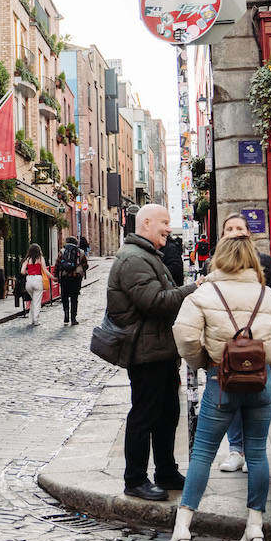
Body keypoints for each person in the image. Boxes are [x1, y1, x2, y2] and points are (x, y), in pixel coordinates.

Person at [166, 235, 271, 541]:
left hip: (222, 382)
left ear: (219, 258)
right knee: (258, 453)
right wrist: (267, 358)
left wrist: (202, 362)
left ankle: (183, 527)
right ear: (252, 258)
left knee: (204, 453)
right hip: (261, 384)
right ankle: (255, 528)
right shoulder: (267, 294)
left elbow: (184, 333)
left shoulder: (205, 293)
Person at [107, 203, 199, 501]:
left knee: (168, 414)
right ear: (145, 223)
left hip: (160, 349)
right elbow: (155, 301)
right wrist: (194, 288)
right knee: (145, 416)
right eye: (164, 222)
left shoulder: (147, 255)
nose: (168, 228)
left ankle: (166, 471)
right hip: (145, 352)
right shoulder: (133, 259)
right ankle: (135, 479)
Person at [212, 212, 271, 473]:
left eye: (240, 228)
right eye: (229, 228)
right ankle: (235, 450)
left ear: (249, 233)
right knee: (231, 403)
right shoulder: (216, 263)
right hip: (226, 348)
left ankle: (253, 453)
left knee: (256, 399)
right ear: (223, 234)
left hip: (255, 344)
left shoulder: (263, 262)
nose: (235, 232)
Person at [54, 236, 89, 325]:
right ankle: (73, 318)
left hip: (65, 277)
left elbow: (57, 265)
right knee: (74, 298)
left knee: (64, 296)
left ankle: (66, 315)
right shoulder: (81, 252)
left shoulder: (62, 251)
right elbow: (85, 265)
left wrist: (56, 276)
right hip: (76, 278)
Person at [20, 244, 52, 325]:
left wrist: (29, 272)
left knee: (33, 300)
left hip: (29, 280)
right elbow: (45, 271)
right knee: (37, 301)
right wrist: (53, 277)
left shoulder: (27, 259)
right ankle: (35, 320)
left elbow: (22, 272)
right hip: (37, 280)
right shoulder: (40, 258)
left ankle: (32, 318)